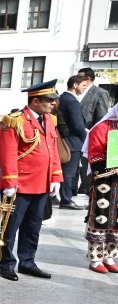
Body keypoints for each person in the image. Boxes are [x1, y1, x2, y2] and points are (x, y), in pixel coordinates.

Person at [0, 81, 63, 281]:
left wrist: (56, 176)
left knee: (33, 227)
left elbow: (53, 150)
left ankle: (27, 261)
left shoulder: (49, 120)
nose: (53, 103)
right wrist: (10, 182)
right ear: (35, 101)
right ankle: (6, 264)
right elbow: (7, 154)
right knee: (10, 227)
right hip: (20, 184)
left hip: (41, 183)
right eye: (49, 100)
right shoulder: (14, 120)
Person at [84, 112, 118, 273]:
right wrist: (113, 168)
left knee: (116, 221)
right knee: (101, 218)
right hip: (105, 183)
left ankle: (109, 256)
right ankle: (95, 258)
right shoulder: (102, 127)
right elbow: (95, 157)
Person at [57, 75, 89, 209]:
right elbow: (77, 125)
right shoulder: (72, 102)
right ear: (75, 85)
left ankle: (57, 197)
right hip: (73, 142)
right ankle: (66, 200)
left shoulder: (61, 98)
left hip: (62, 141)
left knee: (62, 171)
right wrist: (87, 138)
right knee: (69, 173)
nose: (84, 88)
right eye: (83, 85)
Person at [79, 68, 111, 135]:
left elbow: (101, 116)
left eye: (79, 77)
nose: (76, 79)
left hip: (89, 132)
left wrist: (95, 133)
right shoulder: (77, 90)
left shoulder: (100, 93)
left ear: (88, 79)